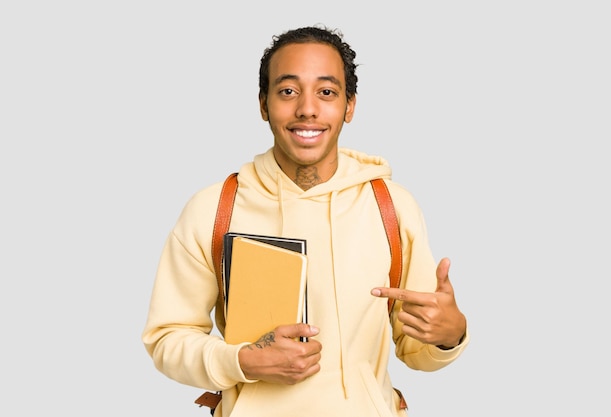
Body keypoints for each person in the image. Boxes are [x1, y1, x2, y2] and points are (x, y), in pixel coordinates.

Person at [142, 25, 469, 417]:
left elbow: (418, 352)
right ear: (263, 104)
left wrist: (450, 336)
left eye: (327, 92)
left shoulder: (393, 208)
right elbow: (166, 340)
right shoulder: (214, 208)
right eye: (288, 91)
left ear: (350, 106)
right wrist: (242, 361)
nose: (307, 109)